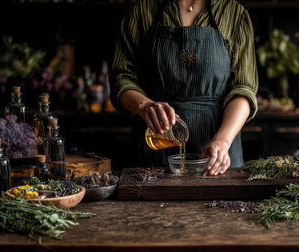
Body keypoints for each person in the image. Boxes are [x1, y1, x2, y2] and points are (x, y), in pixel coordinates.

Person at [110, 0, 258, 175]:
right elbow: (122, 77)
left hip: (218, 152)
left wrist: (223, 141)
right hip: (156, 143)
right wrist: (145, 106)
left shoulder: (233, 13)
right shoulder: (143, 10)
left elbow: (243, 88)